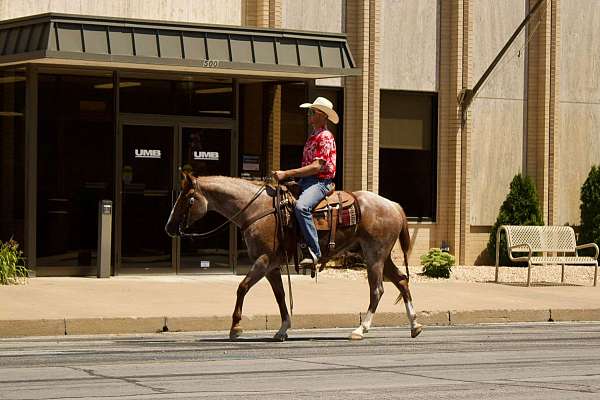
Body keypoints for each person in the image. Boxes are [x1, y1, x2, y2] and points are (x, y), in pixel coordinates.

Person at [273, 96, 338, 266]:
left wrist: (287, 174)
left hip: (321, 182)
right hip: (307, 182)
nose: (308, 114)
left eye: (312, 111)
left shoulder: (325, 137)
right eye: (309, 111)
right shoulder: (313, 136)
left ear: (322, 115)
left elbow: (317, 167)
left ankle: (315, 252)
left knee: (302, 208)